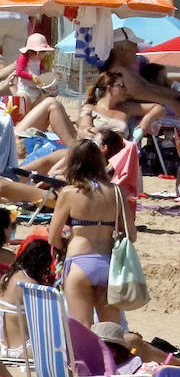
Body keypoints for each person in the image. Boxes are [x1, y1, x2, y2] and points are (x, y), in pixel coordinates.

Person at [51, 140, 126, 326]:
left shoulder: (69, 193)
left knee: (82, 327)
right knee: (112, 331)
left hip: (79, 261)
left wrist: (64, 246)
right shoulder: (117, 192)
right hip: (108, 264)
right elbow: (131, 234)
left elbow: (53, 237)